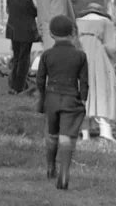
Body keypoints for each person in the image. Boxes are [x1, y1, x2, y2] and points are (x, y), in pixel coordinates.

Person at [37, 15, 89, 190]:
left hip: (52, 98)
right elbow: (84, 81)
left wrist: (42, 99)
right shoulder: (80, 56)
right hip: (71, 98)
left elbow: (40, 80)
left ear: (51, 34)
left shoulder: (47, 55)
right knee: (67, 137)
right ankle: (64, 174)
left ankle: (50, 166)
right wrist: (83, 99)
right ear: (72, 33)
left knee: (52, 135)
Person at [75, 0, 116, 141]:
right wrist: (115, 57)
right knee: (102, 90)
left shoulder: (77, 21)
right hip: (98, 57)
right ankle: (105, 131)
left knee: (82, 90)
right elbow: (112, 47)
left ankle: (84, 133)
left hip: (79, 55)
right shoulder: (105, 22)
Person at [5, 0, 39, 95]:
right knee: (24, 60)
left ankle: (14, 85)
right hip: (26, 33)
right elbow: (34, 13)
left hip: (13, 32)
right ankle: (20, 87)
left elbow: (8, 11)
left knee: (16, 58)